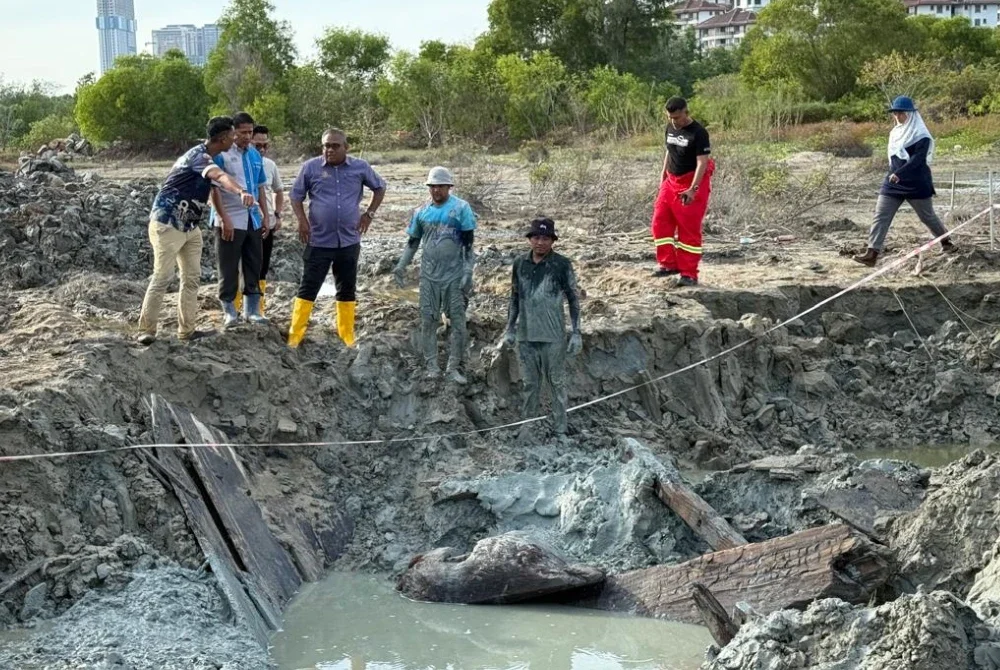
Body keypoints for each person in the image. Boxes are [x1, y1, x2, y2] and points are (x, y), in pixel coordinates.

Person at [136, 116, 256, 346]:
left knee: (191, 278)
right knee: (163, 276)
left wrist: (225, 214)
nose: (235, 139)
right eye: (232, 135)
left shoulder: (213, 157)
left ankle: (187, 331)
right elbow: (220, 177)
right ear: (222, 138)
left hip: (190, 227)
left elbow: (216, 187)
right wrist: (241, 192)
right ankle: (146, 330)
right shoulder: (199, 157)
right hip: (168, 223)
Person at [287, 128, 386, 348]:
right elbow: (295, 196)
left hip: (349, 240)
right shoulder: (310, 167)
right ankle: (295, 335)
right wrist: (302, 221)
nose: (329, 150)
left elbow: (380, 188)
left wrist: (369, 214)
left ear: (346, 148)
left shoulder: (360, 167)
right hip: (318, 240)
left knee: (347, 288)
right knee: (308, 286)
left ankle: (346, 334)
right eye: (326, 146)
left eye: (335, 146)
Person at [394, 166, 477, 383]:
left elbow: (469, 244)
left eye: (440, 186)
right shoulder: (421, 212)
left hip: (454, 275)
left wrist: (468, 271)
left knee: (457, 321)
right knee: (428, 320)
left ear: (449, 186)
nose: (436, 190)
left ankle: (453, 367)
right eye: (432, 186)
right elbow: (412, 243)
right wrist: (401, 265)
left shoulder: (461, 208)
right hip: (429, 275)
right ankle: (431, 365)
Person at [500, 217, 582, 436]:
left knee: (557, 383)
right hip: (526, 335)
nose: (540, 242)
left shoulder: (561, 264)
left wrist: (576, 333)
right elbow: (514, 298)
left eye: (546, 238)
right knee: (530, 384)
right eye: (536, 237)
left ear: (552, 241)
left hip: (553, 336)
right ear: (530, 239)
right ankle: (529, 426)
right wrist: (509, 329)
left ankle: (560, 428)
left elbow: (573, 299)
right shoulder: (520, 263)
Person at [854, 96, 955, 267]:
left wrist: (899, 173)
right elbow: (894, 158)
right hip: (893, 182)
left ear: (910, 114)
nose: (897, 116)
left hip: (917, 182)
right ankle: (872, 254)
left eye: (901, 113)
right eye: (895, 113)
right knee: (881, 215)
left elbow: (918, 160)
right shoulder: (895, 133)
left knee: (927, 217)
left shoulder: (921, 135)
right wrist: (894, 173)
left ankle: (946, 242)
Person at [209, 111, 269, 328]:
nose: (247, 136)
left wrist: (265, 215)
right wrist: (223, 217)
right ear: (232, 132)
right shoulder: (222, 155)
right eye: (242, 132)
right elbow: (214, 188)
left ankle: (251, 311)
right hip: (230, 217)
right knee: (228, 267)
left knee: (253, 264)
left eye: (250, 132)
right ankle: (229, 312)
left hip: (252, 218)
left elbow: (260, 188)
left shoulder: (255, 155)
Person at [650, 96, 714, 287]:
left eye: (677, 117)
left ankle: (689, 273)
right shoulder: (670, 127)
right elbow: (669, 151)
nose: (674, 121)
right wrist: (663, 177)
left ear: (686, 112)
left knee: (688, 229)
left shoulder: (699, 132)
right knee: (659, 222)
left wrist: (693, 189)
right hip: (671, 181)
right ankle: (668, 264)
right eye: (670, 117)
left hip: (692, 181)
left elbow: (702, 162)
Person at [252, 125, 284, 314]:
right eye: (258, 146)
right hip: (245, 223)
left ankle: (259, 308)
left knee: (262, 267)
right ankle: (237, 307)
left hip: (267, 224)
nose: (262, 150)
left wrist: (277, 214)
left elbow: (279, 191)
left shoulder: (270, 165)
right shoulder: (239, 163)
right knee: (242, 266)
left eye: (265, 146)